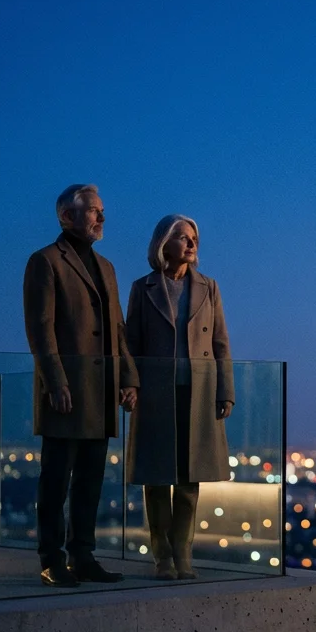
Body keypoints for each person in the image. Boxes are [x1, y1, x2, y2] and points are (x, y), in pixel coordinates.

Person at [23, 184, 139, 587]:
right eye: (92, 210)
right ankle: (51, 559)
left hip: (101, 392)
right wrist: (55, 382)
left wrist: (128, 379)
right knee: (55, 481)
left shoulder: (106, 267)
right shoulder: (45, 261)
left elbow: (118, 331)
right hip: (67, 394)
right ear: (66, 216)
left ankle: (82, 556)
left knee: (90, 480)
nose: (101, 217)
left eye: (102, 210)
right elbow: (41, 330)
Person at [124, 214, 234, 580]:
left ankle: (183, 555)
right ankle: (162, 557)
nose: (191, 244)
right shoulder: (143, 288)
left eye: (193, 239)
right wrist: (130, 384)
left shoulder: (209, 287)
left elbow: (220, 344)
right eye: (182, 237)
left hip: (199, 392)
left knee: (190, 480)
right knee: (157, 480)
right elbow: (132, 344)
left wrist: (225, 390)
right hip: (155, 394)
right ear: (163, 244)